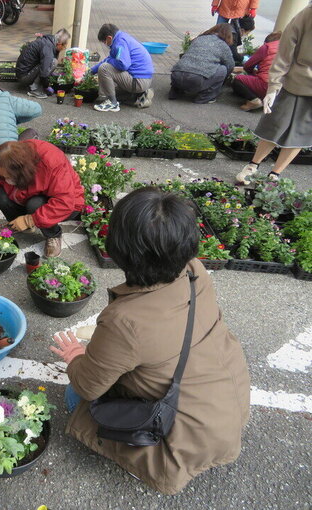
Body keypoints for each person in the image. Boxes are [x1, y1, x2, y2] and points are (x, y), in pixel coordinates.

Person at [50, 187, 250, 494]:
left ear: (119, 248)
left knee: (75, 397)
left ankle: (149, 463)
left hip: (184, 441)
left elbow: (89, 386)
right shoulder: (194, 271)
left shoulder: (125, 320)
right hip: (228, 411)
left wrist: (76, 356)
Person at [235, 4, 312, 185]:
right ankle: (253, 165)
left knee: (302, 134)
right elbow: (285, 49)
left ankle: (275, 175)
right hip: (295, 83)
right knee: (275, 124)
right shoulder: (308, 14)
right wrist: (274, 86)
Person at [0, 139, 85, 257]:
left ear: (23, 170)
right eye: (3, 177)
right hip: (25, 195)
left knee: (35, 204)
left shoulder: (52, 162)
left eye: (8, 176)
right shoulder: (4, 161)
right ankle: (20, 225)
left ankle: (53, 235)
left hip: (66, 204)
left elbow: (64, 202)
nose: (6, 180)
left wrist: (28, 220)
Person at [89, 24, 155, 112]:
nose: (105, 44)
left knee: (104, 68)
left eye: (104, 42)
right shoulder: (121, 37)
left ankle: (112, 103)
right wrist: (91, 71)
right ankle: (138, 96)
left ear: (109, 38)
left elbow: (124, 64)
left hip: (137, 82)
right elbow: (109, 59)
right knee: (112, 91)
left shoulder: (119, 43)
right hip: (144, 80)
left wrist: (109, 62)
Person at [169, 24, 235, 104]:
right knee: (223, 69)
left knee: (185, 64)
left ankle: (175, 92)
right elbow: (230, 65)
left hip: (175, 76)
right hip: (195, 80)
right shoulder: (223, 45)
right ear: (229, 35)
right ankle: (205, 97)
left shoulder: (199, 39)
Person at [15, 29, 70, 99]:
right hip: (23, 77)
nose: (63, 48)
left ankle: (32, 85)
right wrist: (47, 86)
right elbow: (44, 73)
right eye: (64, 46)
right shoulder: (48, 47)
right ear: (59, 43)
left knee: (50, 63)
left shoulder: (48, 41)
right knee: (53, 62)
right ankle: (34, 90)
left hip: (23, 73)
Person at [232, 31, 281, 111]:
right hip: (282, 90)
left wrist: (253, 72)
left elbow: (248, 66)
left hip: (266, 85)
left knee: (238, 80)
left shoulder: (267, 47)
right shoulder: (289, 49)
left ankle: (254, 100)